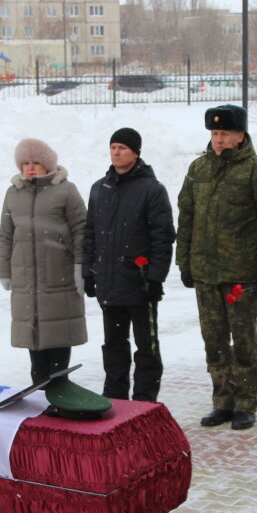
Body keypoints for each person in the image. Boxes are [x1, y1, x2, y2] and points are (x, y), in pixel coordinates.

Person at [176, 104, 257, 431]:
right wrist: (184, 262)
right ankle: (222, 400)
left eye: (224, 133)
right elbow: (186, 218)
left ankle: (246, 402)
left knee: (244, 341)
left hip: (242, 275)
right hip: (205, 274)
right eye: (214, 133)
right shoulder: (198, 169)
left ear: (240, 135)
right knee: (214, 341)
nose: (218, 140)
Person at [82, 127, 175, 402]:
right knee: (113, 344)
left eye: (122, 147)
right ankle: (115, 395)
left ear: (136, 153)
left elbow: (163, 237)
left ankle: (145, 399)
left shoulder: (152, 190)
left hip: (140, 283)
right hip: (109, 284)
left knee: (146, 346)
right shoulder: (100, 188)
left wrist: (156, 278)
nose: (116, 152)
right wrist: (88, 272)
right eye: (113, 147)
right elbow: (90, 233)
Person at [0, 138, 87, 385]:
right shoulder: (13, 193)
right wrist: (4, 270)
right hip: (27, 282)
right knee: (35, 348)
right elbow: (6, 234)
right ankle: (40, 394)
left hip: (59, 278)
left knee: (58, 344)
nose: (30, 167)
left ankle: (60, 395)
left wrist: (81, 266)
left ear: (46, 164)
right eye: (25, 162)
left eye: (36, 162)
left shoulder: (66, 190)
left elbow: (81, 229)